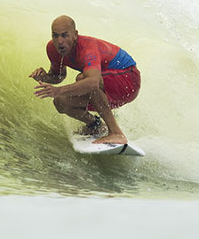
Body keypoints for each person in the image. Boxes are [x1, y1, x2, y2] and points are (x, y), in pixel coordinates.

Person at [30, 15, 141, 145]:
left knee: (83, 79)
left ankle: (116, 133)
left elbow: (93, 82)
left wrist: (58, 90)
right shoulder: (53, 49)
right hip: (107, 87)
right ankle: (95, 125)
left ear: (75, 34)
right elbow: (58, 76)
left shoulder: (87, 49)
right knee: (61, 102)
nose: (59, 41)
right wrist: (44, 77)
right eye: (55, 35)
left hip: (128, 79)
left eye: (65, 35)